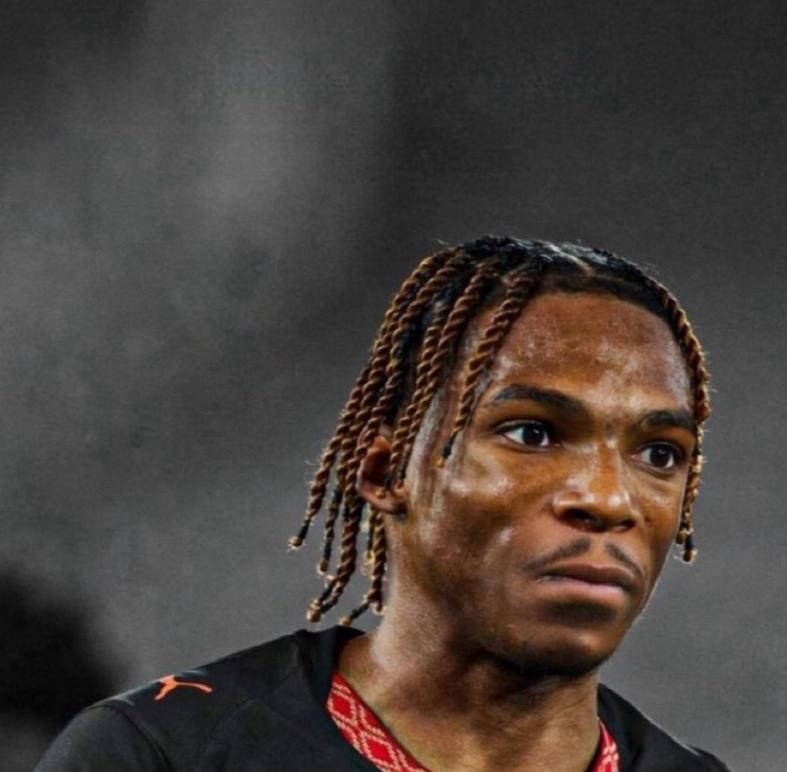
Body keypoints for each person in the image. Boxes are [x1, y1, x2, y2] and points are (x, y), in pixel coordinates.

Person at [37, 237, 729, 771]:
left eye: (658, 453)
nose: (608, 499)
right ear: (385, 471)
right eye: (533, 434)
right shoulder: (164, 755)